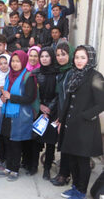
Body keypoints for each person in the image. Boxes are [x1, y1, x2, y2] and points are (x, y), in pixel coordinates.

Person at [59, 45, 104, 199]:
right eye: (77, 57)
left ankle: (81, 191)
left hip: (85, 127)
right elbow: (68, 100)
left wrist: (85, 116)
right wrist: (61, 119)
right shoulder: (74, 75)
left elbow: (101, 103)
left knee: (82, 161)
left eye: (83, 57)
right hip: (70, 125)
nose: (79, 61)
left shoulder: (96, 76)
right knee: (71, 158)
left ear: (90, 58)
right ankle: (75, 187)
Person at [0, 50, 37, 182]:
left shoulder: (28, 77)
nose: (14, 64)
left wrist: (11, 97)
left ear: (23, 61)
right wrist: (4, 97)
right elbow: (7, 93)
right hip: (8, 112)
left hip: (20, 115)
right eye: (12, 61)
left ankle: (15, 169)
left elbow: (30, 98)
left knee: (16, 143)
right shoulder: (9, 76)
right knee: (7, 140)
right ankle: (8, 167)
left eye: (17, 61)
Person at [31, 47, 59, 180]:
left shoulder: (58, 73)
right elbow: (32, 93)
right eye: (42, 56)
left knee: (50, 142)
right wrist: (40, 105)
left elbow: (59, 94)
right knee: (35, 139)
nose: (44, 59)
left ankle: (47, 168)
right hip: (38, 110)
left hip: (53, 111)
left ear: (52, 57)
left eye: (47, 56)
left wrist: (49, 109)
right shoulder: (36, 73)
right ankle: (33, 165)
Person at [50, 43, 73, 186]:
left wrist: (65, 116)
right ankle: (62, 174)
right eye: (58, 55)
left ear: (70, 55)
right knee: (64, 145)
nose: (60, 57)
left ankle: (65, 175)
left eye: (63, 54)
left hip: (70, 115)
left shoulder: (72, 72)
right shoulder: (61, 72)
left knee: (68, 145)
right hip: (62, 113)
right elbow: (60, 96)